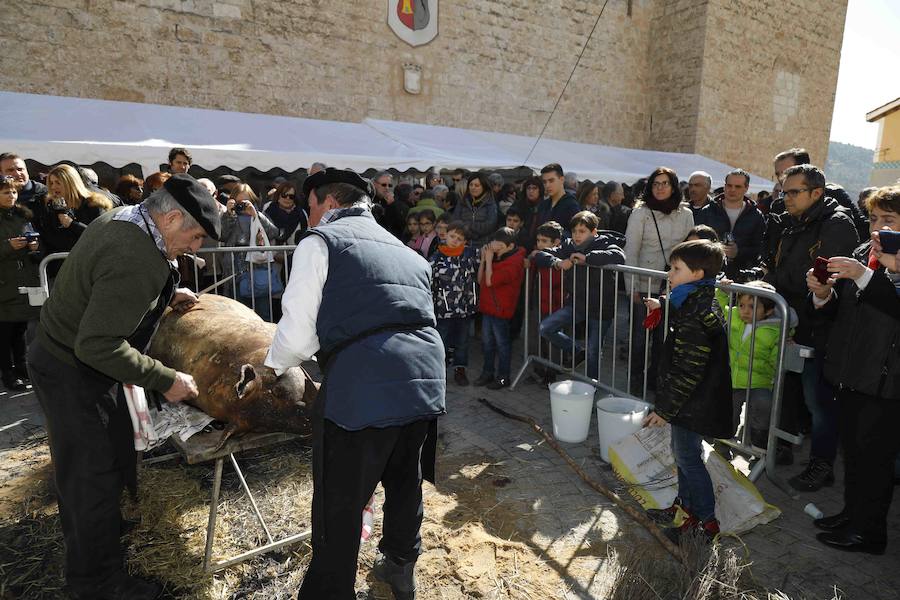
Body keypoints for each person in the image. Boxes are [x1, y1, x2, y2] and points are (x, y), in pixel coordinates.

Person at [28, 174, 219, 600]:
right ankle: (95, 582)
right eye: (196, 235)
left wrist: (165, 296)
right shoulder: (135, 255)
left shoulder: (126, 218)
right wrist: (165, 377)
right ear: (171, 218)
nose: (196, 247)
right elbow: (97, 344)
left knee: (111, 451)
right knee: (90, 473)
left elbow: (106, 286)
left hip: (74, 360)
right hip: (71, 369)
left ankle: (101, 531)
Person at [264, 168, 445, 599]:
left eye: (310, 209)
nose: (308, 219)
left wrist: (270, 367)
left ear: (327, 203)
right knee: (405, 480)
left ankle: (329, 590)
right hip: (422, 380)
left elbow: (297, 335)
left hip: (365, 385)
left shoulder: (320, 242)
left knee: (341, 498)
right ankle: (401, 565)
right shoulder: (407, 251)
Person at [806, 185, 900, 555]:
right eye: (874, 219)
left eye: (888, 220)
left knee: (875, 462)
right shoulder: (865, 252)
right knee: (855, 455)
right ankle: (852, 516)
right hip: (850, 372)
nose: (877, 228)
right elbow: (843, 312)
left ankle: (869, 533)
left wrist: (867, 276)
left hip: (886, 382)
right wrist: (822, 294)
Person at [764, 164, 858, 492]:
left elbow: (823, 280)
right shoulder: (791, 221)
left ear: (816, 193)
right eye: (784, 190)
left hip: (821, 325)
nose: (785, 197)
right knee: (788, 388)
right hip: (791, 319)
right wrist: (761, 282)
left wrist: (774, 286)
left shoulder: (836, 224)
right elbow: (781, 266)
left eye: (793, 192)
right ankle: (785, 446)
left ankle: (822, 464)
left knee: (818, 398)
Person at [642, 240, 733, 542]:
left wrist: (664, 410)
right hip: (691, 400)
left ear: (696, 273)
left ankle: (705, 522)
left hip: (694, 403)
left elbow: (688, 370)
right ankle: (685, 510)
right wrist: (664, 305)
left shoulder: (697, 311)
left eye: (676, 268)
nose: (669, 273)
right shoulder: (694, 300)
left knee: (689, 460)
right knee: (683, 456)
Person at [624, 167, 694, 391]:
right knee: (639, 338)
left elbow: (690, 249)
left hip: (673, 285)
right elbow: (631, 251)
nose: (660, 188)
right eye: (656, 183)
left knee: (665, 339)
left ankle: (655, 380)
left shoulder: (686, 214)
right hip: (644, 284)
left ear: (673, 186)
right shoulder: (640, 213)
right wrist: (632, 287)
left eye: (665, 183)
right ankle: (635, 380)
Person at [534, 211, 625, 379]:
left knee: (593, 351)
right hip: (577, 303)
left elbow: (619, 255)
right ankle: (576, 351)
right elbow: (540, 254)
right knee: (545, 327)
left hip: (601, 308)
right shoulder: (568, 244)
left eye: (582, 231)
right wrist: (557, 262)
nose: (577, 235)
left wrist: (587, 258)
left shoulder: (605, 242)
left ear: (593, 232)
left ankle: (592, 388)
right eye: (575, 230)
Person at [726, 280, 796, 462]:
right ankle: (723, 442)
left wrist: (786, 347)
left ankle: (758, 445)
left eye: (752, 307)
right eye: (741, 305)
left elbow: (775, 360)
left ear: (768, 311)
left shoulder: (775, 330)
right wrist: (724, 288)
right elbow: (720, 304)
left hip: (760, 381)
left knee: (763, 408)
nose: (745, 311)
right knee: (728, 411)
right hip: (734, 379)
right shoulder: (734, 316)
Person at [33, 164, 114, 274]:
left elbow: (99, 235)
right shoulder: (49, 206)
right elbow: (49, 237)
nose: (53, 187)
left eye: (58, 182)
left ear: (70, 182)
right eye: (51, 183)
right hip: (60, 268)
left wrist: (72, 224)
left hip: (89, 267)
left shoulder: (94, 204)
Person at [0, 175, 40, 391]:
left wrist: (34, 247)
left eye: (14, 191)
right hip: (4, 283)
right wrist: (8, 246)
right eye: (6, 192)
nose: (12, 195)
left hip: (23, 281)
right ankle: (7, 371)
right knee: (4, 332)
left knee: (20, 329)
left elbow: (34, 244)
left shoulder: (23, 216)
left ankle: (22, 366)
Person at [473, 227, 525, 390]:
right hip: (488, 307)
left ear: (510, 246)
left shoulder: (514, 263)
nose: (496, 249)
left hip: (501, 309)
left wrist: (488, 260)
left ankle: (504, 377)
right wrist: (483, 260)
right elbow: (481, 280)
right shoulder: (496, 256)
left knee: (502, 344)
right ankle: (487, 372)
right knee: (487, 342)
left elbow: (490, 281)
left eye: (500, 246)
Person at [430, 221, 479, 386]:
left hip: (464, 309)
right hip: (443, 309)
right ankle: (439, 371)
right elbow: (429, 280)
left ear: (465, 241)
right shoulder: (437, 257)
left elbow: (489, 252)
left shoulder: (470, 255)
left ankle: (460, 370)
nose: (454, 240)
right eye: (452, 236)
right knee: (441, 340)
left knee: (462, 341)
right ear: (445, 235)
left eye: (459, 239)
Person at [220, 183, 279, 320]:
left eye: (247, 201)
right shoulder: (229, 215)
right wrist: (229, 214)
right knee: (238, 313)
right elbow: (221, 235)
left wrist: (256, 215)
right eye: (239, 202)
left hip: (258, 267)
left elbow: (273, 232)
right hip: (235, 269)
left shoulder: (257, 214)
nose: (243, 205)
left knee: (263, 310)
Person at [694, 169, 766, 275]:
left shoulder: (756, 216)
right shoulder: (707, 211)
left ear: (746, 188)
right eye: (729, 185)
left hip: (741, 274)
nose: (732, 190)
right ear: (724, 186)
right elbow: (695, 242)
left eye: (738, 186)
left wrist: (738, 252)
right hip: (709, 272)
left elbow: (761, 248)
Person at [451, 172, 498, 247]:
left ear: (484, 187)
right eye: (471, 185)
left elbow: (489, 226)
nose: (473, 187)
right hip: (463, 244)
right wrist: (468, 233)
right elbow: (455, 221)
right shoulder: (462, 202)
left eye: (477, 185)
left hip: (483, 245)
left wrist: (468, 225)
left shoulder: (490, 204)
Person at [535, 163, 579, 234]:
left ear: (561, 179)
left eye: (551, 180)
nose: (547, 185)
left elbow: (576, 234)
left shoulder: (571, 205)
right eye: (544, 182)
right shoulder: (543, 205)